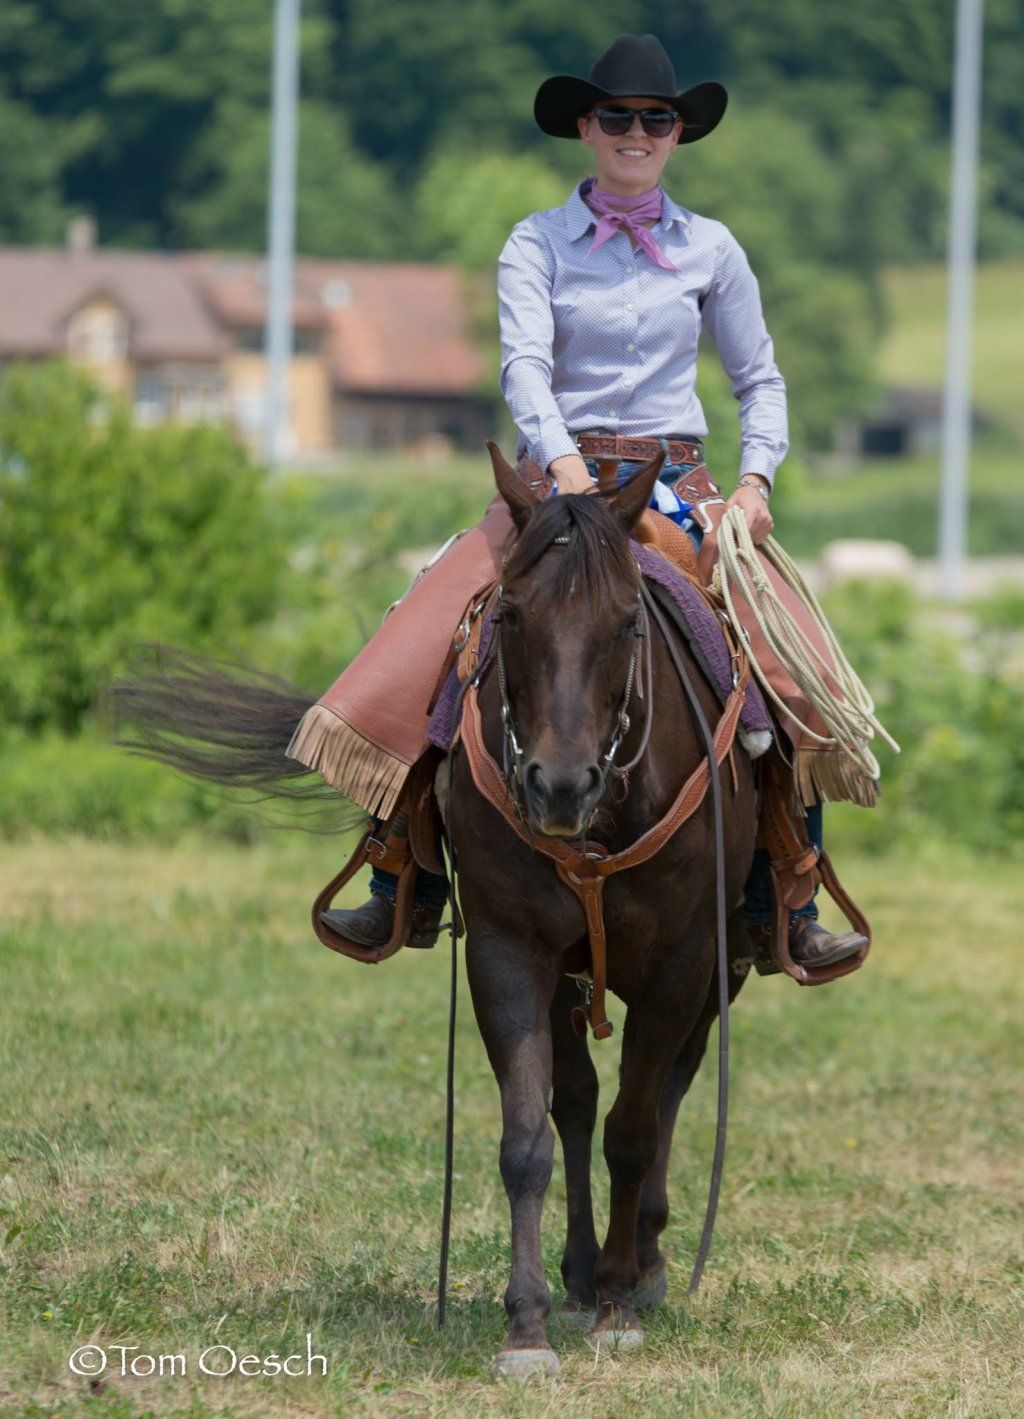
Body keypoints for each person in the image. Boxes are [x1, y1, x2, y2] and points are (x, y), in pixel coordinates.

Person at [321, 33, 866, 970]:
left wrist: (755, 481)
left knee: (789, 664)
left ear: (677, 135)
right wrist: (565, 467)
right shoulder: (533, 242)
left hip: (678, 485)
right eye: (617, 116)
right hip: (551, 489)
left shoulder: (713, 248)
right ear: (585, 127)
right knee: (427, 627)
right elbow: (524, 366)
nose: (637, 133)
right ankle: (400, 873)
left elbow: (760, 379)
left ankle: (786, 887)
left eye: (656, 119)